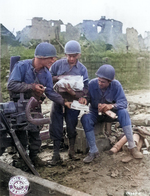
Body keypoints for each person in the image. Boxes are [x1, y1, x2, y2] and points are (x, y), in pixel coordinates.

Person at [7, 42, 70, 167]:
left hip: (34, 106)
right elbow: (11, 85)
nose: (53, 60)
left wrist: (64, 102)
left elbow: (50, 92)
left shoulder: (46, 73)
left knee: (35, 133)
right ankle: (22, 159)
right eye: (51, 58)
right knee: (21, 134)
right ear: (41, 57)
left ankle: (34, 157)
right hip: (19, 106)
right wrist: (32, 86)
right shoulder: (22, 66)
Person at [79, 64, 143, 163]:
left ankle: (132, 146)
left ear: (110, 81)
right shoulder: (92, 84)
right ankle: (93, 150)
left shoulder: (116, 85)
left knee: (124, 112)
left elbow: (123, 102)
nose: (100, 83)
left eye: (103, 82)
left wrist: (111, 106)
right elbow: (86, 98)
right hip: (96, 113)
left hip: (112, 115)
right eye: (99, 80)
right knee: (85, 118)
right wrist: (84, 101)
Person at [49, 40, 89, 166]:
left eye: (74, 56)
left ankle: (71, 151)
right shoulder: (57, 65)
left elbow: (86, 88)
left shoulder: (82, 69)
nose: (71, 58)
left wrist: (74, 93)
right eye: (68, 55)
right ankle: (55, 154)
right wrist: (58, 78)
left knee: (71, 125)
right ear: (65, 54)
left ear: (79, 55)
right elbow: (47, 78)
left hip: (73, 100)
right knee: (55, 124)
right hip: (58, 99)